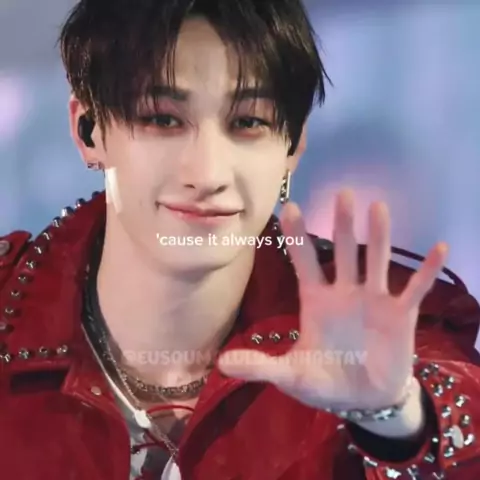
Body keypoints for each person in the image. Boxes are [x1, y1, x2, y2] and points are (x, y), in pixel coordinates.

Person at [1, 0, 480, 478]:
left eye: (248, 122)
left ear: (293, 145)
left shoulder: (381, 322)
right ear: (88, 130)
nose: (208, 174)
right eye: (163, 119)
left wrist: (395, 422)